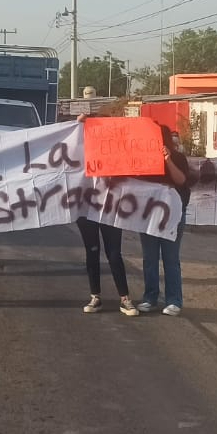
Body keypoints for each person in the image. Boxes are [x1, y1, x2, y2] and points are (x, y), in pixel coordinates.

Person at [74, 115, 138, 317]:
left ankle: (125, 298)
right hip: (86, 209)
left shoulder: (116, 151)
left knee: (114, 253)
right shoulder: (78, 149)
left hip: (111, 207)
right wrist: (78, 125)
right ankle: (95, 296)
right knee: (92, 252)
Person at [137, 125, 190, 316]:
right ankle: (150, 297)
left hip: (172, 215)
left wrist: (168, 160)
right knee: (149, 258)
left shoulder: (178, 158)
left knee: (171, 258)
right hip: (149, 215)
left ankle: (174, 300)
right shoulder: (144, 159)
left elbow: (181, 180)